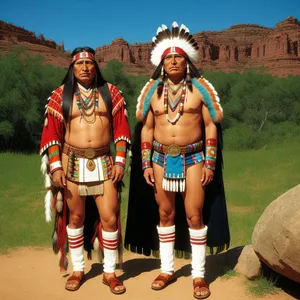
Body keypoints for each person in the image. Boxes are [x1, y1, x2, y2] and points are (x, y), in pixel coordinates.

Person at [125, 22, 230, 299]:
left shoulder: (199, 90)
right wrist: (145, 163)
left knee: (195, 215)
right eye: (169, 58)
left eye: (179, 57)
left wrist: (209, 163)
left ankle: (198, 276)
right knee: (165, 214)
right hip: (160, 158)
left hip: (194, 157)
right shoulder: (153, 92)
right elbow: (146, 129)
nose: (173, 62)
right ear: (161, 62)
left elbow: (210, 126)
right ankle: (167, 269)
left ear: (187, 61)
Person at [40, 47, 130, 294]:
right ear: (72, 67)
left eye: (90, 63)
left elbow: (121, 130)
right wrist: (56, 167)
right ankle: (78, 269)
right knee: (75, 217)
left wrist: (121, 161)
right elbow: (52, 135)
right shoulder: (60, 96)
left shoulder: (111, 93)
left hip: (104, 162)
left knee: (110, 217)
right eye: (80, 64)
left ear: (95, 66)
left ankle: (109, 272)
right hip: (72, 163)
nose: (85, 68)